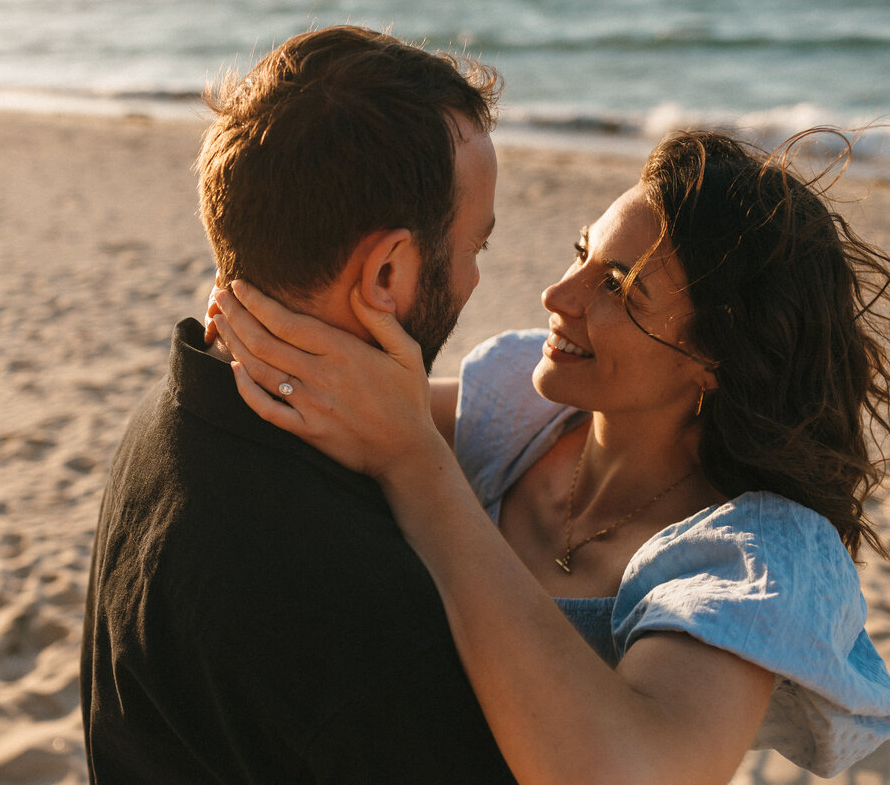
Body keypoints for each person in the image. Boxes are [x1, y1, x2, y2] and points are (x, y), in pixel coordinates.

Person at [211, 128, 890, 783]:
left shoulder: (751, 554)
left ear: (716, 357)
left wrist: (420, 471)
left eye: (619, 285)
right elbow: (349, 402)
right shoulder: (521, 417)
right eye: (581, 252)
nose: (558, 296)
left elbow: (626, 773)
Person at [80, 26, 515, 782]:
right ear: (385, 274)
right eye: (476, 246)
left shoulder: (183, 409)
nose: (475, 278)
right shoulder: (353, 610)